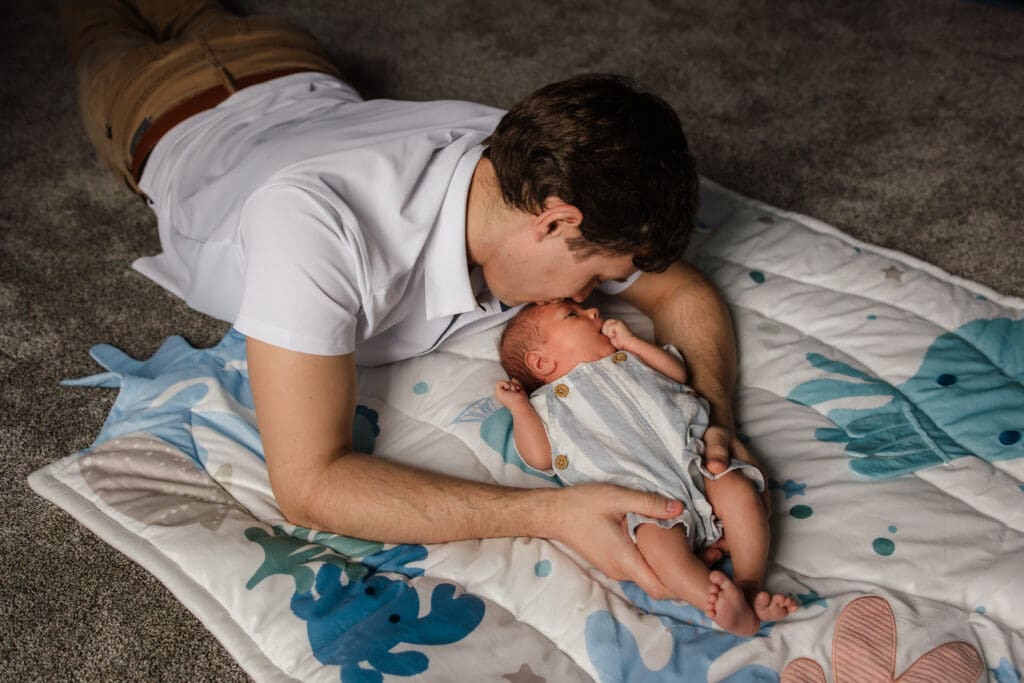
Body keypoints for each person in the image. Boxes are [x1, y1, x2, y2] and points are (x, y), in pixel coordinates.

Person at [62, 0, 767, 600]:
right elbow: (310, 483)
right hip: (161, 106)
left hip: (291, 66)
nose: (593, 295)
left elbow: (682, 288)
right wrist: (552, 512)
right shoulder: (312, 228)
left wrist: (715, 415)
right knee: (98, 19)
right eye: (590, 276)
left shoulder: (528, 156)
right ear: (553, 221)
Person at [496, 301, 796, 634]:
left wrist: (631, 342)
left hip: (694, 460)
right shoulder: (546, 405)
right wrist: (519, 407)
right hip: (643, 498)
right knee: (659, 548)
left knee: (739, 490)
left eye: (586, 310)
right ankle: (717, 604)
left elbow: (678, 374)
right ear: (542, 361)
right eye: (573, 315)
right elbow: (540, 457)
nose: (593, 313)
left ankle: (750, 584)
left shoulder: (630, 357)